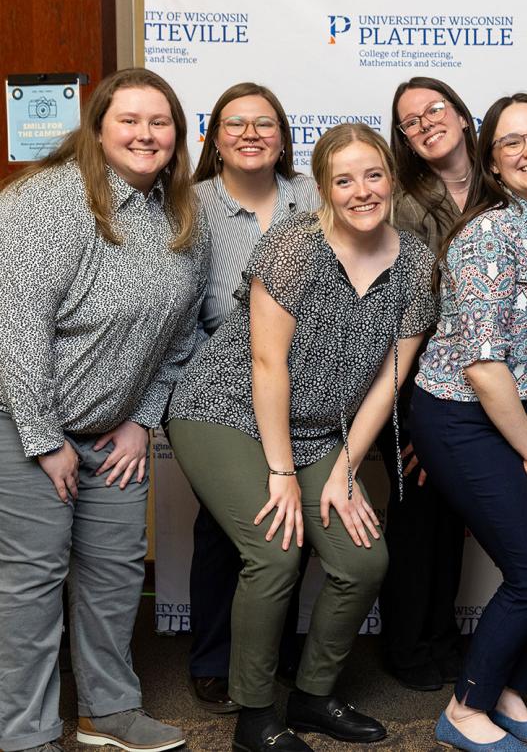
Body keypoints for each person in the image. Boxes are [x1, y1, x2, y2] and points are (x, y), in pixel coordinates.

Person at [169, 123, 434, 752]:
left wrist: (345, 465)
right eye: (344, 180)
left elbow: (390, 378)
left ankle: (313, 697)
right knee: (275, 552)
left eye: (373, 175)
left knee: (363, 560)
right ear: (323, 189)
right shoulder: (294, 249)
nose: (362, 190)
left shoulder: (418, 261)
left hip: (321, 432)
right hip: (223, 410)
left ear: (392, 180)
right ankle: (256, 716)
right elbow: (267, 367)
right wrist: (282, 474)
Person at [0, 67, 205, 752]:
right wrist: (42, 436)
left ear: (177, 139)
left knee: (115, 571)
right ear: (97, 130)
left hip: (114, 432)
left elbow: (178, 336)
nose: (145, 134)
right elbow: (16, 326)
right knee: (34, 577)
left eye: (160, 122)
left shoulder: (180, 215)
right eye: (130, 120)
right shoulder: (48, 200)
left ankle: (107, 711)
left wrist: (141, 418)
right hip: (25, 423)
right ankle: (24, 730)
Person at [408, 93, 527, 752]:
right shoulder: (489, 234)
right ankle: (464, 709)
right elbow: (485, 370)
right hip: (463, 420)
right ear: (492, 160)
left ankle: (506, 686)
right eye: (512, 142)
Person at [187, 81, 320, 714]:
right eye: (233, 123)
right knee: (228, 529)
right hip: (220, 390)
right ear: (212, 138)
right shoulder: (189, 207)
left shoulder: (316, 198)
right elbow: (174, 310)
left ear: (284, 137)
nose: (249, 134)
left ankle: (271, 650)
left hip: (306, 387)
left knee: (289, 524)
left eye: (264, 123)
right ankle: (215, 657)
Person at [377, 77, 481, 692]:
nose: (424, 124)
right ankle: (407, 645)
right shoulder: (403, 205)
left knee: (454, 518)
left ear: (463, 116)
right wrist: (413, 419)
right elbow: (402, 317)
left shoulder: (499, 187)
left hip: (484, 387)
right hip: (418, 387)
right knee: (418, 519)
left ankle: (442, 635)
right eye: (409, 122)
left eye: (434, 110)